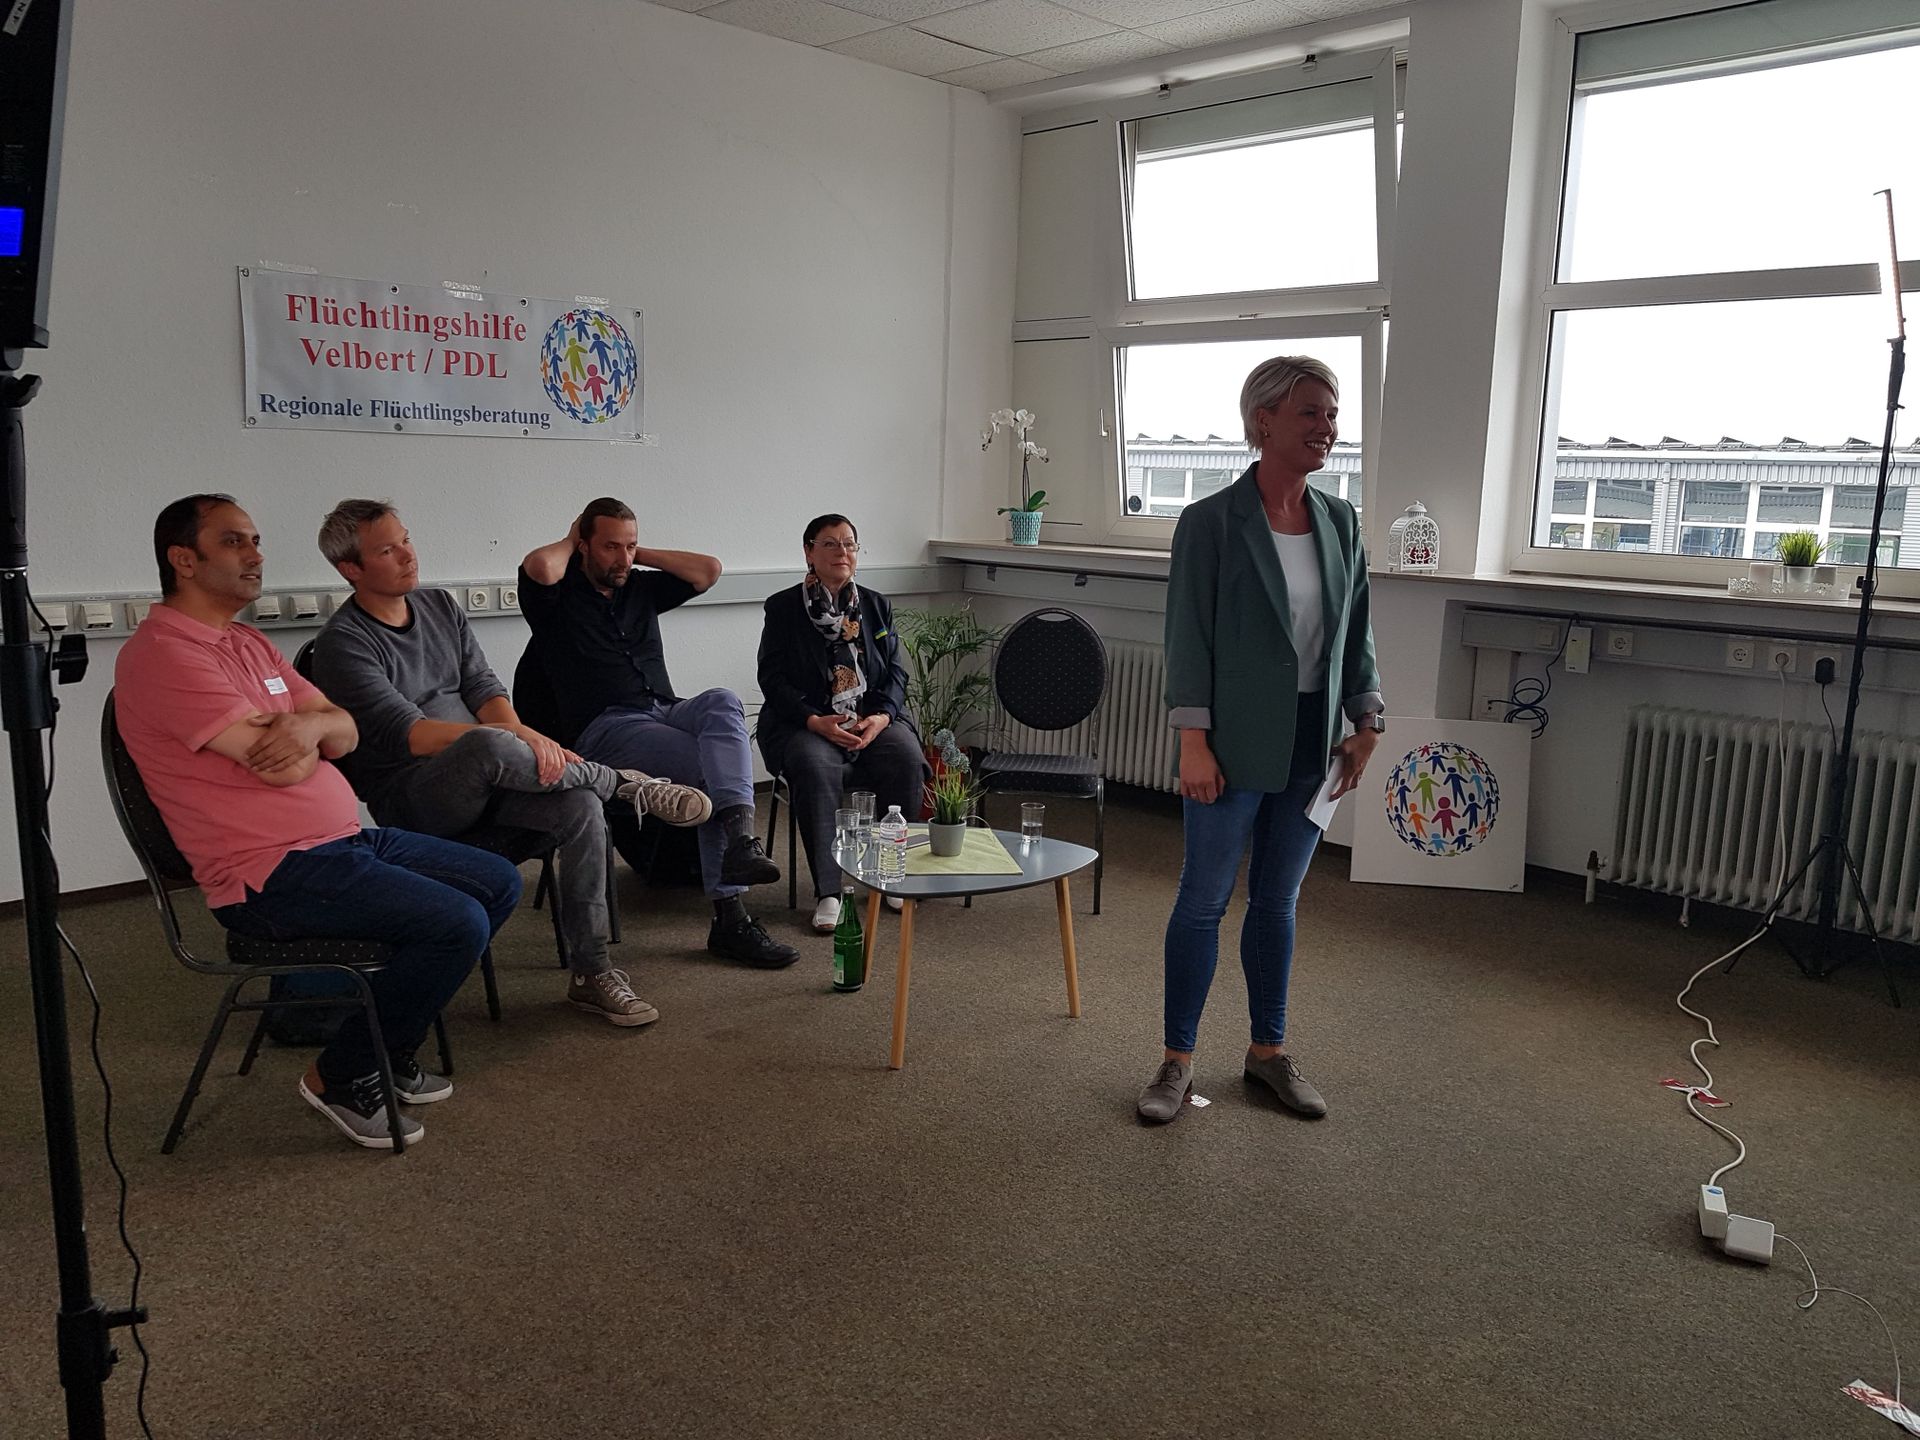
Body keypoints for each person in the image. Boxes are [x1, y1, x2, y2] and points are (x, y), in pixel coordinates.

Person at [115, 495, 523, 1151]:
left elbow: (347, 730)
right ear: (183, 560)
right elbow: (283, 768)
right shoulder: (163, 654)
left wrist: (307, 727)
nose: (255, 555)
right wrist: (312, 732)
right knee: (457, 923)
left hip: (340, 843)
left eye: (255, 539)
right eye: (234, 542)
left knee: (497, 881)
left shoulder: (248, 643)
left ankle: (385, 1044)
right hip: (267, 871)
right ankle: (342, 1074)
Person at [310, 499, 712, 1029]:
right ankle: (623, 784)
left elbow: (483, 687)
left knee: (579, 806)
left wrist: (522, 736)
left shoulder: (439, 606)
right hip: (415, 796)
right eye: (388, 550)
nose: (408, 555)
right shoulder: (342, 644)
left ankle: (592, 971)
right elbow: (411, 734)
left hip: (492, 773)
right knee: (487, 745)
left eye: (406, 539)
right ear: (351, 569)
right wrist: (511, 737)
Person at [1136, 356, 1385, 1125]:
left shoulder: (1340, 521)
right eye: (1310, 412)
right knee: (1203, 900)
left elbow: (1356, 630)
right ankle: (1176, 1061)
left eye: (1332, 414)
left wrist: (1368, 722)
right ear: (1262, 421)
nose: (1327, 428)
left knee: (1277, 900)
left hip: (1313, 741)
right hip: (1231, 740)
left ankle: (1267, 1053)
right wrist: (1193, 741)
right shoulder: (1211, 522)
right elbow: (1188, 638)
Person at [518, 498, 798, 968]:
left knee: (722, 701)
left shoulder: (638, 588)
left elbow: (708, 570)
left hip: (665, 709)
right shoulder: (556, 598)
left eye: (629, 546)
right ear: (583, 544)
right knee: (710, 772)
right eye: (610, 546)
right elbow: (539, 566)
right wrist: (573, 539)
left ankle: (740, 840)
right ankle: (730, 920)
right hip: (607, 728)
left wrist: (632, 555)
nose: (623, 558)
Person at [755, 513, 928, 933]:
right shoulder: (783, 607)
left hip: (869, 718)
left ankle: (891, 874)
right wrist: (814, 720)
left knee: (905, 756)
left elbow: (895, 673)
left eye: (849, 543)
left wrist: (881, 718)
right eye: (830, 544)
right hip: (807, 722)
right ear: (809, 552)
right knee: (815, 766)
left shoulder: (875, 605)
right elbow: (771, 679)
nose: (842, 552)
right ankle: (829, 892)